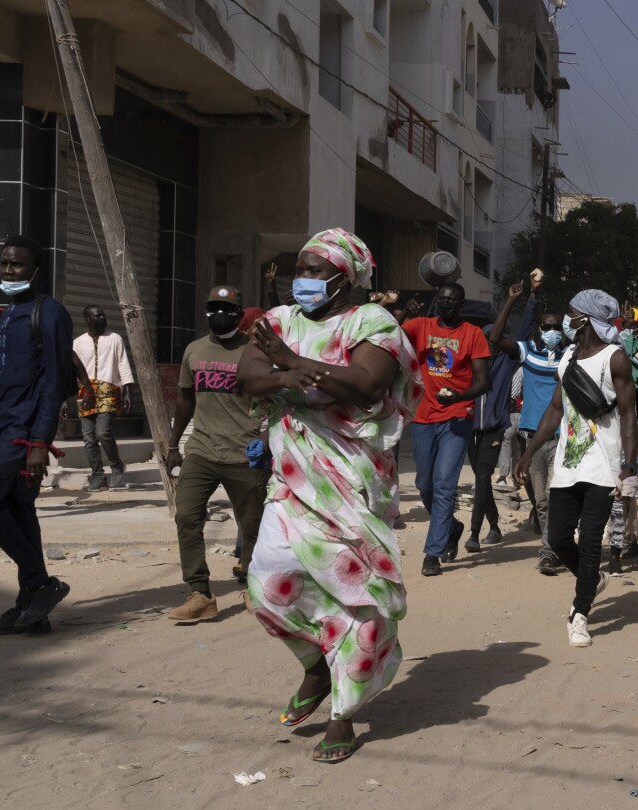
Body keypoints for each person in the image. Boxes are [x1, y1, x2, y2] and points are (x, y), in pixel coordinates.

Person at [238, 228, 420, 764]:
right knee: (267, 581)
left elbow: (366, 386)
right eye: (301, 268)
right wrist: (309, 377)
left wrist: (288, 365)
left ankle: (342, 715)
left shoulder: (373, 323)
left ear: (347, 277)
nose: (304, 279)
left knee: (355, 594)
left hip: (353, 478)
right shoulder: (276, 322)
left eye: (317, 270)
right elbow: (248, 378)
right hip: (292, 475)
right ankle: (316, 666)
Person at [514, 290, 638, 647]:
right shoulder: (567, 356)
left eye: (570, 314)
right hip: (568, 465)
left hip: (603, 464)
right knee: (557, 537)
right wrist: (528, 452)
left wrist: (628, 465)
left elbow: (629, 414)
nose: (566, 321)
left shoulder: (615, 358)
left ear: (583, 319)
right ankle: (592, 580)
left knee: (588, 542)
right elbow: (556, 409)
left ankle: (580, 612)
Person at [0, 238, 74, 636]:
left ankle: (42, 583)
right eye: (5, 265)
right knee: (19, 512)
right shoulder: (11, 314)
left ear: (36, 270)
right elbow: (0, 378)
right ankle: (32, 608)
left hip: (23, 435)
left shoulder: (51, 314)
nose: (9, 272)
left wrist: (40, 443)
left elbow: (54, 381)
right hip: (1, 428)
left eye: (18, 265)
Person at [162, 285, 270, 623]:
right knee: (186, 517)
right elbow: (185, 400)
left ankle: (255, 586)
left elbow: (273, 401)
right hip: (202, 450)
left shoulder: (255, 353)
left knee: (253, 525)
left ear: (239, 316)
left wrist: (266, 440)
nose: (219, 313)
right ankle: (201, 594)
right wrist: (173, 445)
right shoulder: (194, 350)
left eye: (227, 308)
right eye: (214, 307)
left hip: (244, 453)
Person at [402, 282, 491, 576]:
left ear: (461, 304)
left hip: (457, 417)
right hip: (424, 416)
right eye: (442, 299)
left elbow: (483, 382)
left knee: (444, 485)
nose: (446, 303)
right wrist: (402, 313)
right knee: (424, 485)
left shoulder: (473, 335)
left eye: (452, 300)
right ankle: (452, 527)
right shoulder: (421, 326)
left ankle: (432, 553)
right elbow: (392, 338)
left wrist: (460, 396)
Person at [490, 273, 564, 574]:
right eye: (546, 327)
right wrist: (513, 300)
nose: (551, 331)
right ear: (539, 329)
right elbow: (495, 339)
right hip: (531, 439)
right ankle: (551, 549)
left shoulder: (570, 356)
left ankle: (552, 550)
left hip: (562, 438)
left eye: (557, 327)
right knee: (542, 501)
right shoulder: (528, 353)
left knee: (555, 499)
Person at [467, 304, 527, 552]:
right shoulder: (472, 361)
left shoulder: (505, 362)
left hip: (494, 428)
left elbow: (523, 330)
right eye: (485, 339)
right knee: (481, 482)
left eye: (493, 339)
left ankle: (473, 533)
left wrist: (530, 300)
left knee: (483, 476)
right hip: (469, 429)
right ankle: (495, 527)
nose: (489, 344)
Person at [608, 306, 638, 570]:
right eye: (623, 325)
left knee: (626, 492)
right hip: (604, 433)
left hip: (628, 435)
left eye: (633, 328)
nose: (627, 332)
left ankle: (628, 538)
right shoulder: (604, 354)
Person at [72, 305, 135, 491]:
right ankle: (98, 476)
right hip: (86, 392)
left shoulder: (114, 338)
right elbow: (72, 372)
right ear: (87, 319)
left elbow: (123, 364)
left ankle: (116, 467)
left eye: (103, 314)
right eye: (97, 315)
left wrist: (128, 390)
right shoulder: (77, 343)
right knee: (89, 438)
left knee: (103, 432)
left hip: (109, 389)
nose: (102, 318)